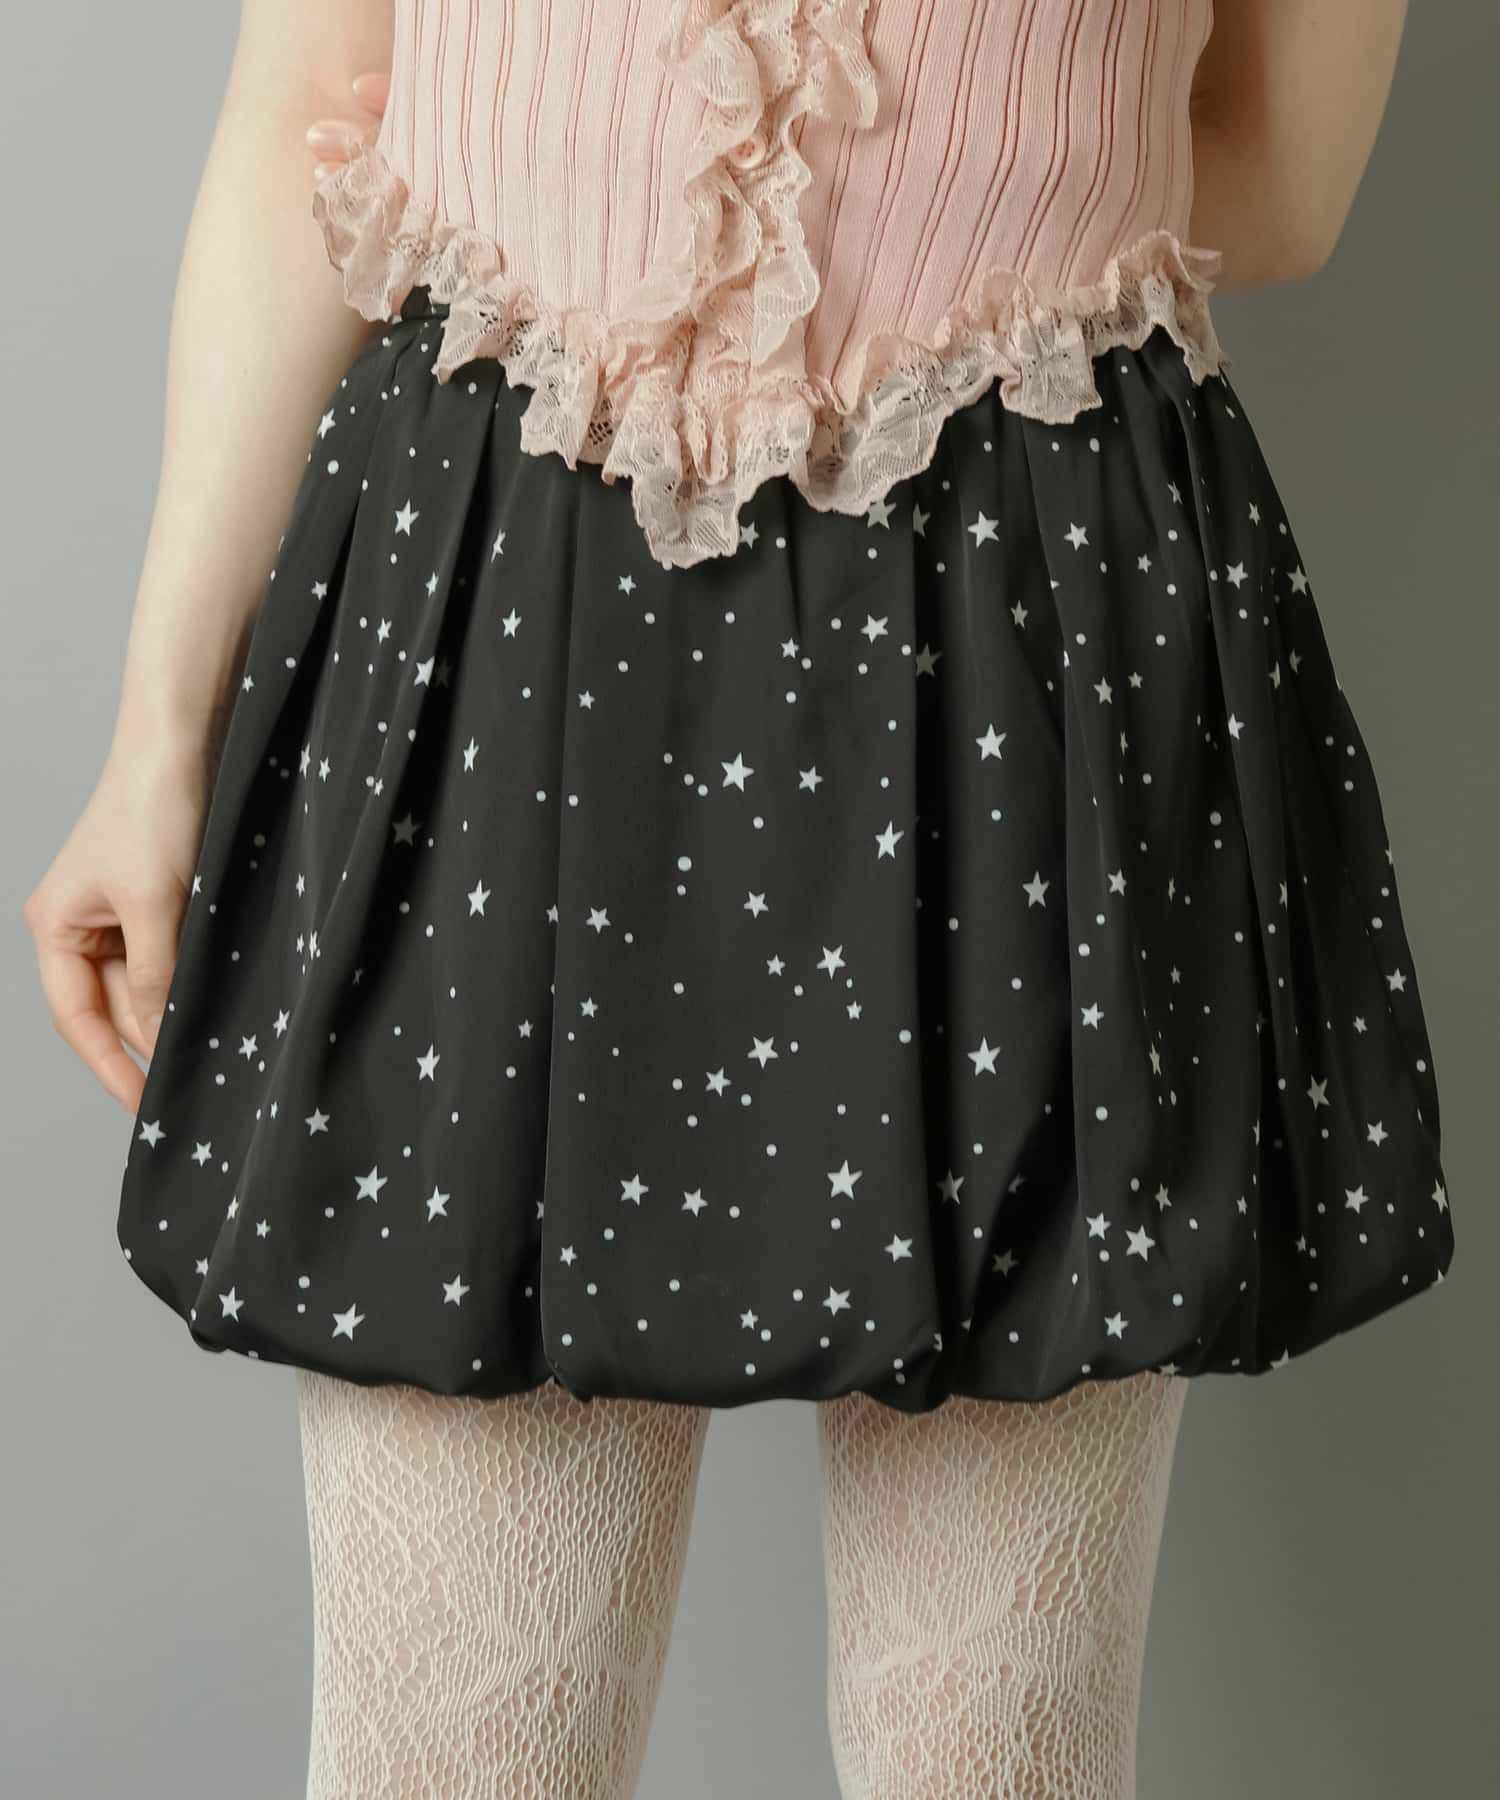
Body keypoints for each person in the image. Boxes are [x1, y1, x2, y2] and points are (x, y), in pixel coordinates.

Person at [25, 2, 1454, 1795]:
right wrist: (157, 735)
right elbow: (305, 115)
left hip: (1025, 623)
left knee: (989, 1756)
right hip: (513, 615)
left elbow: (1283, 181)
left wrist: (925, 219)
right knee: (463, 1752)